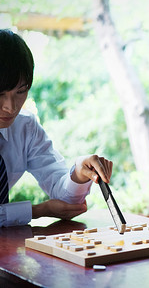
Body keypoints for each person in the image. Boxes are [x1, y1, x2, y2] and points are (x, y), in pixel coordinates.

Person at [0, 29, 113, 227]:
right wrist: (38, 211)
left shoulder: (24, 126)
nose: (10, 107)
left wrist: (78, 173)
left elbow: (65, 199)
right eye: (0, 93)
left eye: (20, 91)